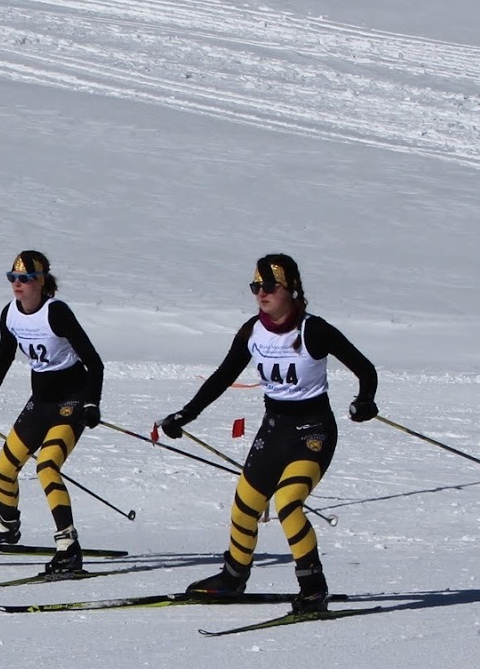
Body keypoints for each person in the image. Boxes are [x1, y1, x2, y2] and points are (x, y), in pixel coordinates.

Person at [157, 254, 378, 613]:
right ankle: (233, 577)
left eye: (270, 286)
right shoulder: (252, 331)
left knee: (288, 503)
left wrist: (365, 400)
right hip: (274, 430)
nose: (262, 293)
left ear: (291, 289)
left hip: (313, 431)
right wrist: (186, 414)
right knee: (245, 506)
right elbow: (222, 376)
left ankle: (313, 587)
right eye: (256, 287)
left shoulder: (313, 330)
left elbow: (365, 370)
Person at [0, 250, 104, 576]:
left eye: (25, 279)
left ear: (40, 282)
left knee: (47, 466)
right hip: (40, 402)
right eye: (12, 278)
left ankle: (68, 547)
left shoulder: (57, 313)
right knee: (4, 469)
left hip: (71, 401)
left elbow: (94, 363)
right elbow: (3, 357)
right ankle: (6, 527)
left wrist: (91, 403)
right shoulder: (10, 314)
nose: (18, 284)